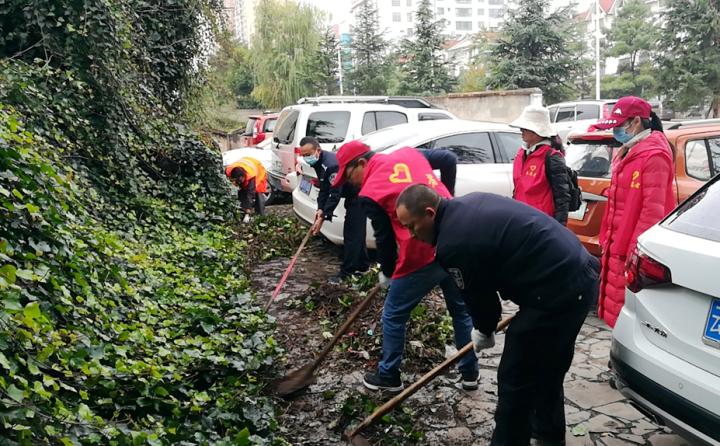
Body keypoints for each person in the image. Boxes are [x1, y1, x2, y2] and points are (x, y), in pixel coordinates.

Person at [395, 184, 600, 446]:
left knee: (516, 378)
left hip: (557, 290)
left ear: (429, 213)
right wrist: (485, 324)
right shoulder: (466, 205)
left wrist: (483, 329)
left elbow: (481, 299)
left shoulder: (453, 243)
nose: (411, 234)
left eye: (412, 226)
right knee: (547, 368)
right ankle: (548, 436)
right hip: (577, 274)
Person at [332, 140, 478, 392]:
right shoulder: (409, 153)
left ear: (362, 163)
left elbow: (385, 240)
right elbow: (448, 159)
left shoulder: (370, 192)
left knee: (393, 314)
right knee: (460, 312)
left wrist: (387, 272)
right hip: (455, 239)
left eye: (348, 175)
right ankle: (470, 374)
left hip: (422, 254)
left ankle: (389, 376)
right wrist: (448, 199)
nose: (350, 183)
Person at [591, 96, 675, 327]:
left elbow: (652, 212)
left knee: (627, 318)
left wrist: (635, 255)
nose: (616, 130)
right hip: (616, 246)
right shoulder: (629, 151)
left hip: (630, 251)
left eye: (619, 125)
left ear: (636, 122)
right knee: (615, 316)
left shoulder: (654, 155)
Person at [297, 136, 369, 282]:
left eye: (308, 154)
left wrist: (324, 216)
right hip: (352, 197)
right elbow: (324, 189)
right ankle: (363, 266)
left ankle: (346, 273)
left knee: (352, 235)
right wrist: (320, 209)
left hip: (360, 196)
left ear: (317, 150)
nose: (306, 158)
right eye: (303, 155)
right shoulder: (318, 163)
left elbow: (334, 193)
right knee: (357, 234)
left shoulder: (330, 165)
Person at [510, 105, 571, 225]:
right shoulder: (521, 153)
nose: (521, 131)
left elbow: (562, 197)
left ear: (537, 131)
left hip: (541, 223)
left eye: (525, 128)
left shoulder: (552, 157)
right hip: (521, 219)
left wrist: (559, 228)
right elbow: (517, 189)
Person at [226, 157, 268, 222]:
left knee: (257, 193)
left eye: (240, 180)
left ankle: (260, 216)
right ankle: (241, 214)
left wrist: (248, 208)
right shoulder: (229, 171)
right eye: (237, 181)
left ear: (243, 176)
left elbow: (250, 194)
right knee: (241, 192)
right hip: (246, 163)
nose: (239, 182)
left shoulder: (251, 176)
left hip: (258, 170)